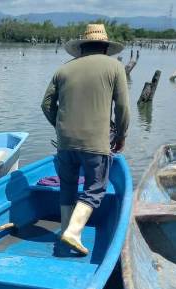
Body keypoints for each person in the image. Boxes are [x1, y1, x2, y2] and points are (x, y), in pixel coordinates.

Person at [41, 24, 130, 255]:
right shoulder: (115, 67)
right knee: (95, 188)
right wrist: (120, 136)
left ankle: (64, 230)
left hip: (65, 142)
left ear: (81, 48)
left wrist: (60, 128)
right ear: (105, 47)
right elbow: (122, 108)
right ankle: (73, 232)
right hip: (95, 143)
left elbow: (46, 105)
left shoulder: (63, 70)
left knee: (68, 186)